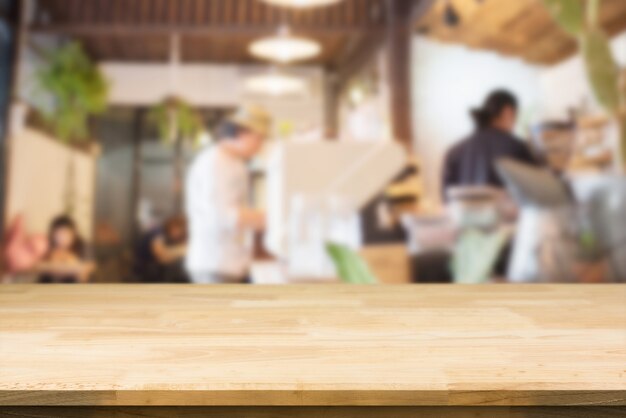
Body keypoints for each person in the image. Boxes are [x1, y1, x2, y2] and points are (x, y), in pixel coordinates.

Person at [185, 106, 271, 284]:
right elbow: (224, 216)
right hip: (216, 266)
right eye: (259, 139)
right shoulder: (216, 163)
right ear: (242, 133)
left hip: (227, 265)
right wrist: (271, 218)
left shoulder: (232, 162)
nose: (261, 146)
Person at [442, 89, 537, 198]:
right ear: (508, 112)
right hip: (504, 215)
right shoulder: (515, 147)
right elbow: (535, 195)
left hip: (462, 215)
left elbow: (447, 200)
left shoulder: (454, 151)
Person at [38, 215, 94, 283]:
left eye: (65, 234)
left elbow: (89, 267)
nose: (62, 238)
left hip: (76, 285)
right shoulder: (48, 246)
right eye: (58, 234)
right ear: (52, 235)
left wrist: (70, 260)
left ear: (73, 234)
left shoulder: (82, 245)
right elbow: (40, 267)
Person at [135, 215, 188, 283]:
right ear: (173, 225)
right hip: (144, 275)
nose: (179, 234)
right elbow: (161, 256)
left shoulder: (167, 237)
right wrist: (182, 250)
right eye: (180, 229)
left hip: (155, 275)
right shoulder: (157, 232)